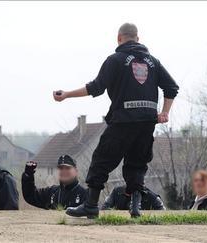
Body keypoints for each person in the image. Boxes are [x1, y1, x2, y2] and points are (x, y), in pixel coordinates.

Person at [53, 23, 179, 218]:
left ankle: (91, 206)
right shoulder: (153, 62)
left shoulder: (115, 60)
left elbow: (96, 87)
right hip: (147, 121)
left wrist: (67, 94)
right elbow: (172, 88)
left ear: (119, 38)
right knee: (137, 163)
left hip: (123, 120)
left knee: (101, 160)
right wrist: (164, 112)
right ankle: (136, 208)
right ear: (138, 38)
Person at [22, 155, 87, 209]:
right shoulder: (52, 192)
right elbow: (31, 196)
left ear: (76, 171)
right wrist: (28, 175)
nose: (64, 171)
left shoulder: (85, 194)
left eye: (67, 168)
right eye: (61, 168)